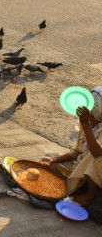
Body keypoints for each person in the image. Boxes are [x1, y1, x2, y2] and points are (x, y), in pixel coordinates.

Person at [40, 89, 102, 220]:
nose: (86, 119)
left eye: (90, 116)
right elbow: (77, 151)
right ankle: (78, 184)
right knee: (50, 159)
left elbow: (97, 153)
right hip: (84, 166)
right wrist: (54, 159)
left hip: (97, 168)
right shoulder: (87, 124)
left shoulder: (89, 125)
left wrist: (86, 125)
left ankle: (89, 196)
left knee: (94, 156)